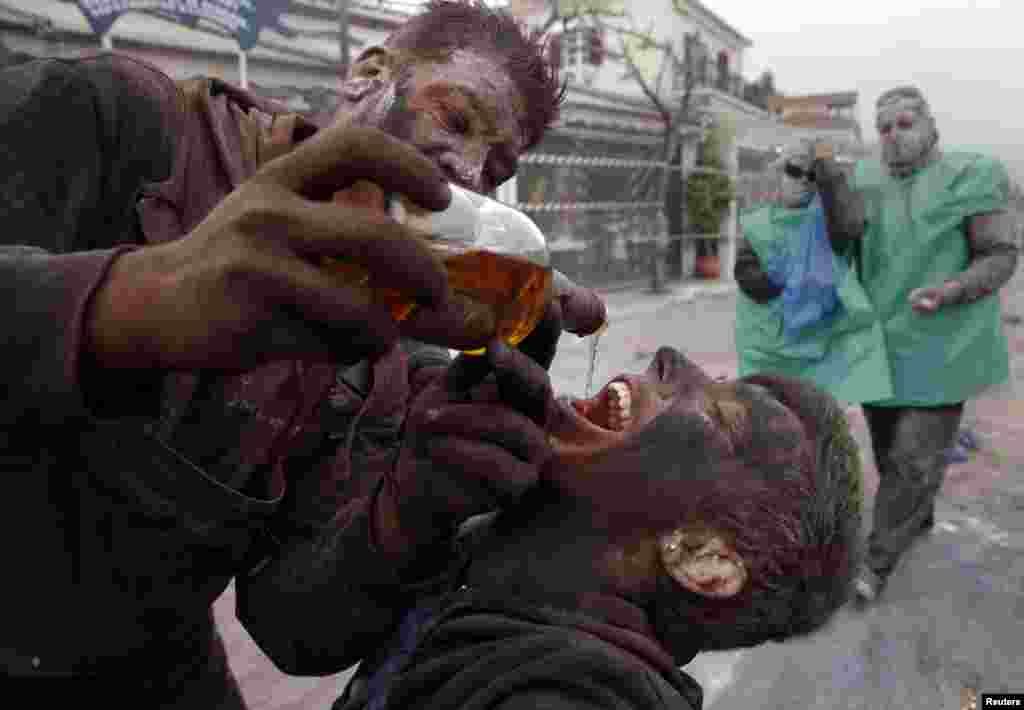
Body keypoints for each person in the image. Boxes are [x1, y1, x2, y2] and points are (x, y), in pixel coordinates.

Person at [0, 0, 604, 705]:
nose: (468, 168)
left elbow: (290, 626)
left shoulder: (382, 349)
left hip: (152, 666)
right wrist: (136, 298)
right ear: (368, 74)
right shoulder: (122, 122)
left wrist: (416, 499)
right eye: (457, 118)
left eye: (497, 167)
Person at [237, 346, 863, 710]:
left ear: (703, 559)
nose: (672, 358)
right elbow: (294, 632)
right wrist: (408, 499)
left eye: (722, 416)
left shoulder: (568, 697)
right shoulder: (500, 554)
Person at [736, 86, 1019, 604]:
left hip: (945, 345)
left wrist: (953, 288)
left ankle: (873, 566)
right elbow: (827, 244)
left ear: (931, 126)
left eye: (905, 123)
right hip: (877, 345)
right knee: (893, 455)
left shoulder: (972, 175)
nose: (893, 136)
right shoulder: (862, 180)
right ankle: (916, 512)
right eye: (884, 127)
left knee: (913, 458)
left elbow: (999, 254)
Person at [734, 139, 892, 405]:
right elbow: (745, 273)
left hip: (821, 352)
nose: (804, 181)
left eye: (812, 176)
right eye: (795, 172)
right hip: (769, 348)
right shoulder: (758, 221)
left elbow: (848, 226)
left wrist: (826, 167)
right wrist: (780, 280)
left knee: (819, 426)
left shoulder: (832, 222)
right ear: (780, 174)